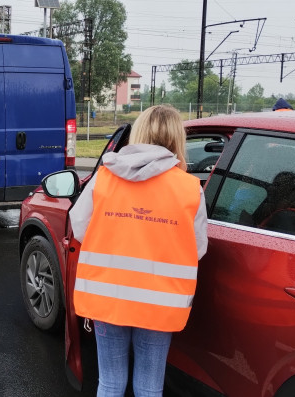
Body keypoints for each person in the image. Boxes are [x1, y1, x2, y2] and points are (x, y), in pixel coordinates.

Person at [69, 104, 208, 397]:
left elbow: (79, 227)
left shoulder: (104, 178)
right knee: (149, 385)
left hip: (107, 296)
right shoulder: (189, 188)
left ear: (140, 133)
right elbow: (197, 248)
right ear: (177, 138)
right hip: (160, 301)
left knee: (110, 381)